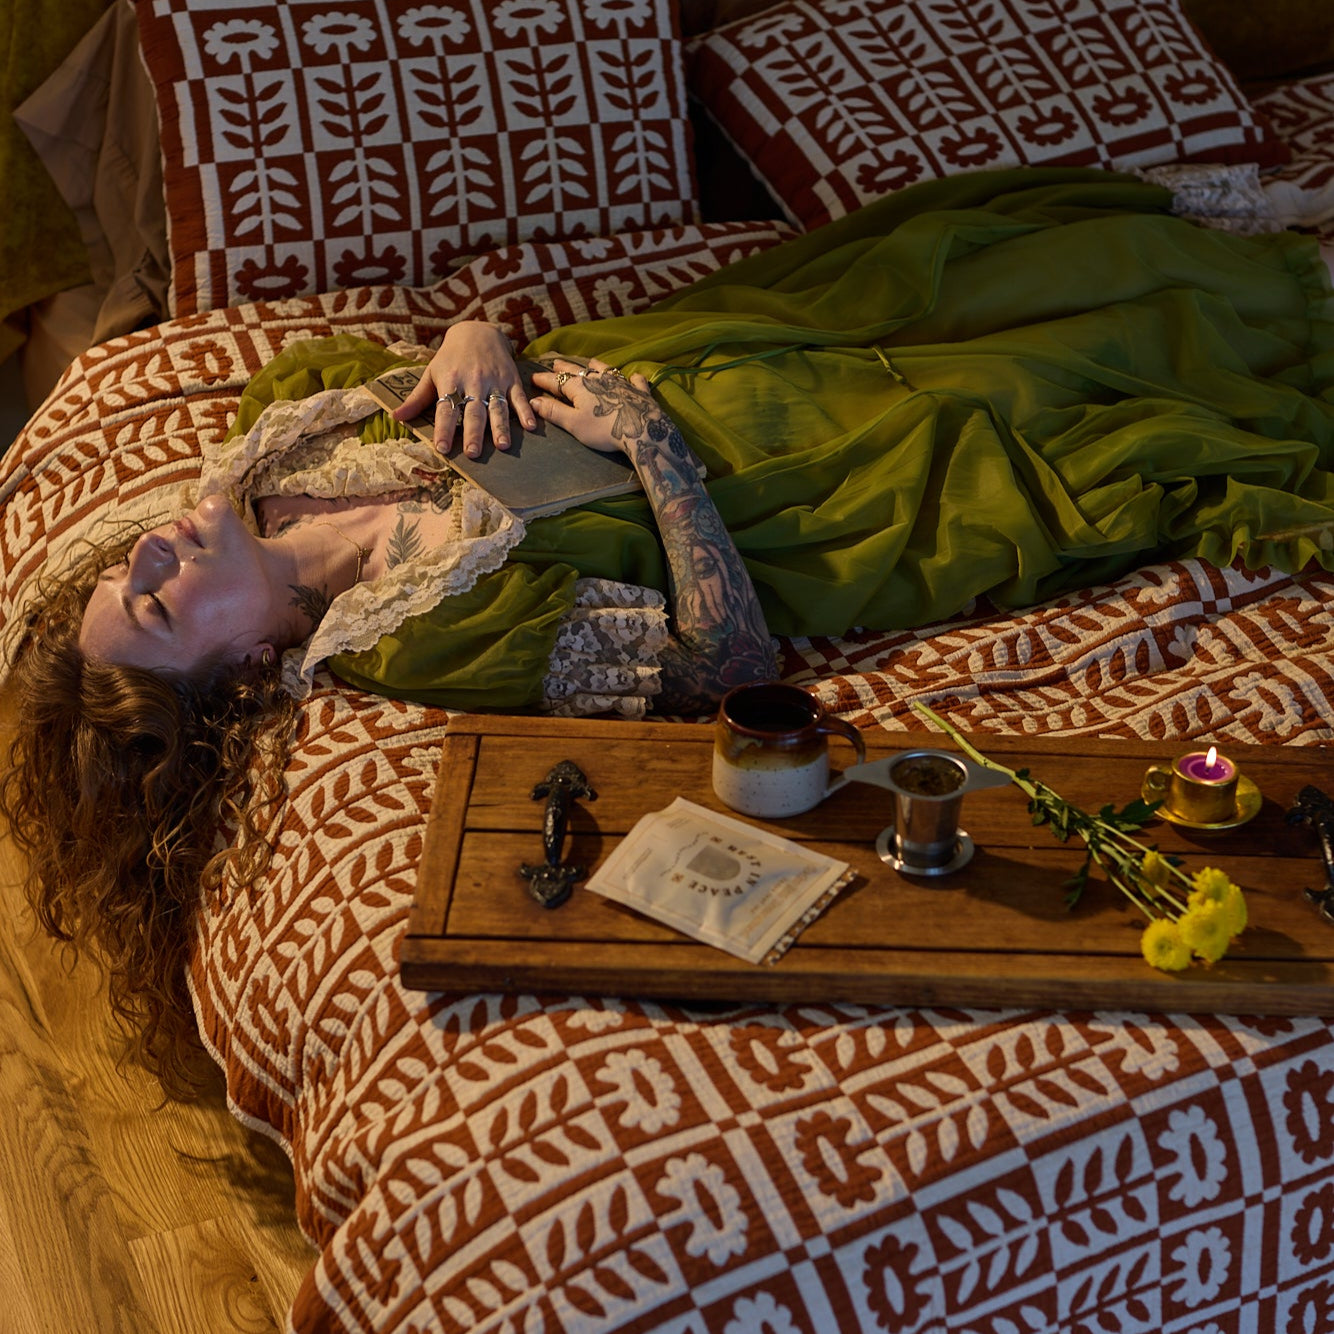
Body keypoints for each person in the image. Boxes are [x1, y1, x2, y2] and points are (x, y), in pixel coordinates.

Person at [4, 166, 1334, 1090]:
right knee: (1083, 386)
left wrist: (474, 334)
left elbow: (445, 362)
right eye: (158, 600)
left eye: (130, 567)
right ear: (250, 661)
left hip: (716, 340)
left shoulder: (282, 435)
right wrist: (651, 449)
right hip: (790, 487)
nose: (155, 548)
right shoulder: (428, 639)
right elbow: (726, 667)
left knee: (984, 259)